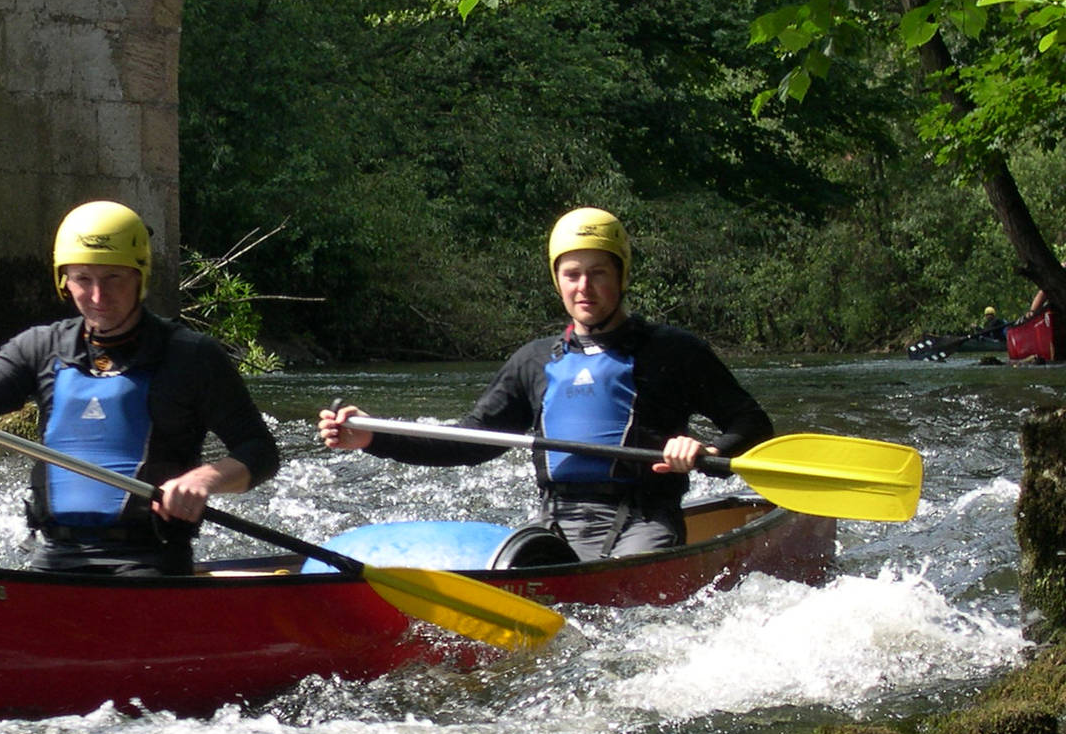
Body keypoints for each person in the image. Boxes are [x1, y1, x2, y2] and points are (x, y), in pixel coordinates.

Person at [318, 207, 773, 559]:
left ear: (622, 276)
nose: (584, 288)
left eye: (598, 273)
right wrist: (372, 437)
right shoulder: (534, 361)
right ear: (557, 281)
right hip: (555, 522)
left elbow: (751, 422)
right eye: (572, 274)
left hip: (645, 521)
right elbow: (468, 442)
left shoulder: (674, 351)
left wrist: (708, 450)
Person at [0, 200, 280, 576]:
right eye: (83, 278)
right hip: (55, 556)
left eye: (113, 277)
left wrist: (204, 479)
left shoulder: (191, 356)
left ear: (139, 276)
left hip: (149, 559)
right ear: (64, 280)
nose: (98, 297)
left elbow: (259, 451)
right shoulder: (41, 347)